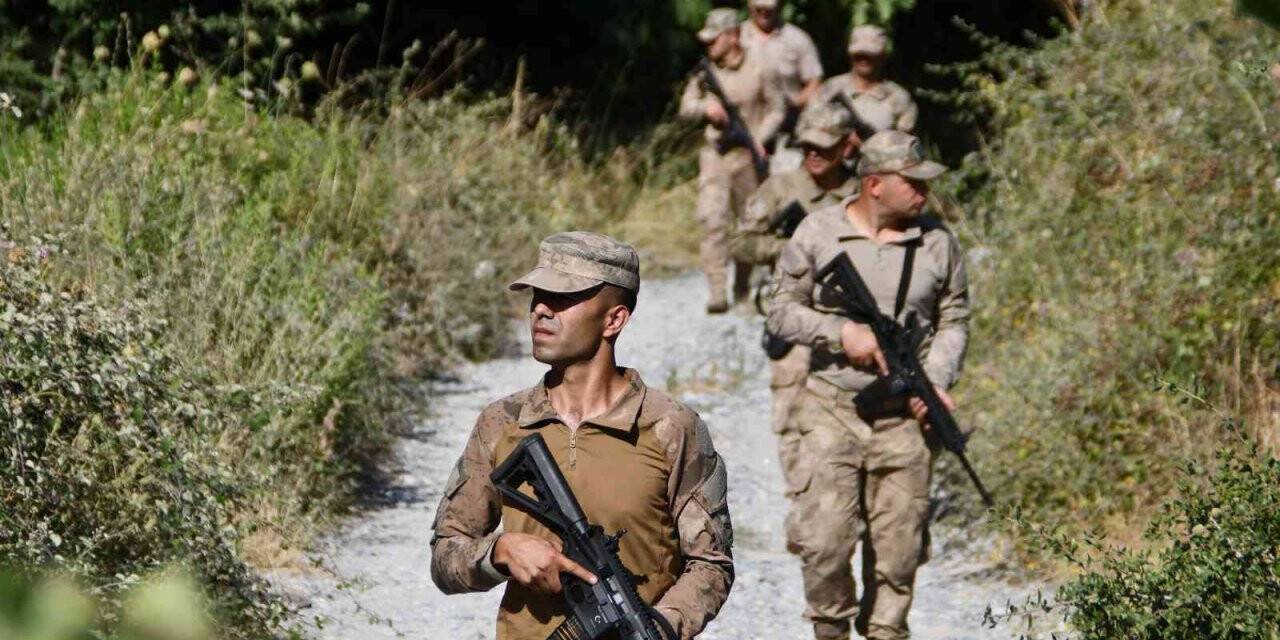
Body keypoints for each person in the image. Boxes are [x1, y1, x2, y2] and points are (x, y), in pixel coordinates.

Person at [430, 231, 735, 640]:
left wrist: (662, 627)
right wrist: (500, 552)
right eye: (538, 296)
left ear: (614, 320)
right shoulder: (502, 422)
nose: (541, 310)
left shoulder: (671, 427)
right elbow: (445, 557)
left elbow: (711, 564)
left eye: (562, 298)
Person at [766, 131, 969, 640]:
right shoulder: (818, 232)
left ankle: (885, 632)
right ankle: (830, 630)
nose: (924, 191)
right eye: (912, 182)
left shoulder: (938, 243)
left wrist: (936, 382)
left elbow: (954, 319)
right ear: (875, 184)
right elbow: (780, 311)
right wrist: (839, 332)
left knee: (900, 553)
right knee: (824, 544)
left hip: (903, 419)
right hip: (830, 407)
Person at [729, 103, 860, 519]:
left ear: (847, 146)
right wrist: (789, 249)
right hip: (795, 320)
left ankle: (846, 501)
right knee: (791, 416)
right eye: (807, 146)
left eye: (824, 146)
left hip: (852, 323)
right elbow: (741, 244)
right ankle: (804, 506)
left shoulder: (861, 193)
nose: (813, 154)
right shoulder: (781, 189)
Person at [679, 8, 786, 313]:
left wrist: (761, 137)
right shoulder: (705, 72)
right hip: (715, 157)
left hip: (749, 158)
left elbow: (778, 109)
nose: (709, 45)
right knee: (711, 220)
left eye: (714, 39)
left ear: (733, 36)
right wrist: (705, 109)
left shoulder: (761, 67)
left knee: (750, 224)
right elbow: (685, 107)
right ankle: (716, 291)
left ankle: (742, 288)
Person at [738, 0, 824, 172]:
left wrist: (795, 105)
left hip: (786, 129)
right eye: (759, 7)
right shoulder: (737, 37)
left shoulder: (797, 39)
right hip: (746, 124)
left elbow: (814, 81)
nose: (764, 12)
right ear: (749, 5)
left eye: (769, 7)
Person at [817, 25, 918, 134]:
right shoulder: (831, 88)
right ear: (850, 55)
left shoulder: (898, 97)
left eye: (871, 54)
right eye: (859, 54)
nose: (864, 59)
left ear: (883, 56)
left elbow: (908, 141)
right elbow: (808, 129)